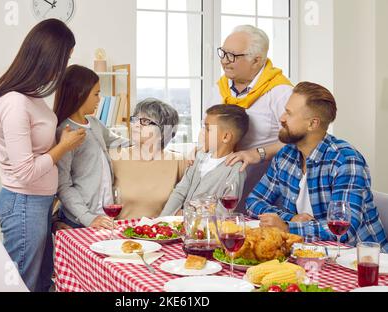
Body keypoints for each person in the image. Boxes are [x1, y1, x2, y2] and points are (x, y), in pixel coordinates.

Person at [0, 19, 86, 291]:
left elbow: (36, 148)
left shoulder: (31, 96)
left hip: (38, 201)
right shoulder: (15, 103)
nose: (64, 65)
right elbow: (25, 171)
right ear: (48, 57)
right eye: (64, 58)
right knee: (24, 284)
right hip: (24, 202)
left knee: (43, 282)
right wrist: (63, 146)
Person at [246, 81, 388, 252]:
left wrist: (287, 227)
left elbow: (345, 231)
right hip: (309, 254)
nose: (282, 118)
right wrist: (292, 219)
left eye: (289, 114)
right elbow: (253, 201)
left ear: (313, 124)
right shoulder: (286, 155)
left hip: (360, 261)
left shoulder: (346, 161)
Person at [209, 25, 293, 211]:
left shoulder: (281, 92)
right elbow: (209, 130)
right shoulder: (219, 88)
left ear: (257, 60)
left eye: (233, 56)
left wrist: (258, 153)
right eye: (223, 53)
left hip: (266, 193)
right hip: (224, 188)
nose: (225, 61)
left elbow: (301, 142)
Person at [53, 65, 129, 229]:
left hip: (104, 218)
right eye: (96, 94)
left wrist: (149, 140)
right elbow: (63, 185)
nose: (99, 99)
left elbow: (117, 141)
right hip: (80, 220)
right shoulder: (65, 132)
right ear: (80, 94)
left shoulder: (94, 123)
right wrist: (87, 218)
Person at [161, 105, 249, 216]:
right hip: (182, 225)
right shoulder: (198, 157)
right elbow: (180, 191)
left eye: (208, 129)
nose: (202, 132)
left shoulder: (236, 170)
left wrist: (186, 214)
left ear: (226, 137)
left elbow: (224, 210)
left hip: (206, 230)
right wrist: (163, 219)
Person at [112, 98, 188, 220]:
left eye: (146, 121)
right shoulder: (115, 158)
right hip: (121, 233)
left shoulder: (178, 161)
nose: (136, 125)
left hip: (160, 234)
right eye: (135, 119)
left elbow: (200, 196)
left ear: (164, 131)